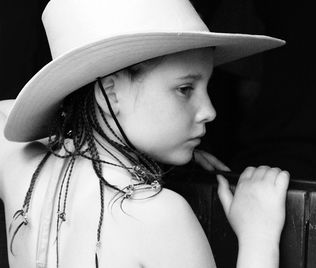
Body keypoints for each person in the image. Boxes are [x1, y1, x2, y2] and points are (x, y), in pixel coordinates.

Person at [0, 0, 289, 267]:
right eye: (185, 89)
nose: (209, 111)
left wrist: (79, 130)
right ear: (111, 92)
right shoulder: (160, 215)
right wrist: (259, 238)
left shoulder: (22, 166)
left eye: (207, 88)